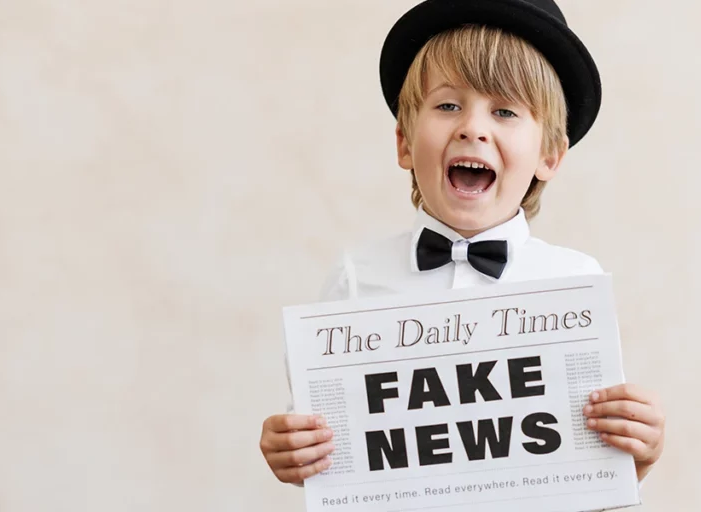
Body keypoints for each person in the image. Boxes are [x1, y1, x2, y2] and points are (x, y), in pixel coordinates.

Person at [259, 0, 666, 503]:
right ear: (405, 143)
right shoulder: (353, 279)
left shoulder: (576, 283)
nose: (473, 128)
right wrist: (292, 451)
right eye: (448, 105)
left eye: (505, 111)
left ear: (549, 156)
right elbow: (327, 446)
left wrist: (634, 457)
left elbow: (585, 469)